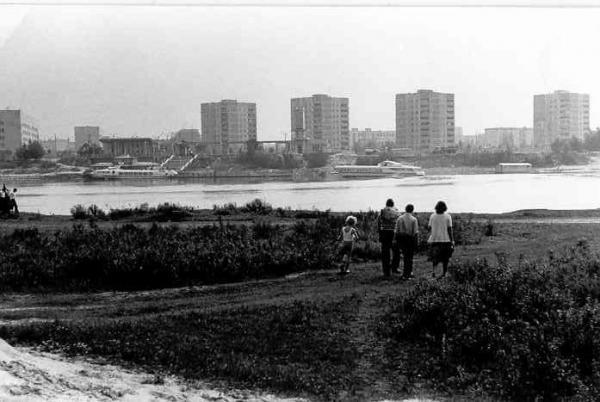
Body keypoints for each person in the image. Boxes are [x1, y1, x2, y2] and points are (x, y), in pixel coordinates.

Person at [428, 200, 454, 278]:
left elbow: (429, 227)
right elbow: (450, 229)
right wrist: (452, 240)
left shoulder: (432, 216)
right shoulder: (448, 216)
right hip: (445, 240)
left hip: (434, 239)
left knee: (435, 257)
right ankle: (444, 273)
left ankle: (434, 272)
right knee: (445, 258)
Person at [395, 204, 419, 280]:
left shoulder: (399, 218)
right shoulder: (414, 219)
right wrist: (416, 241)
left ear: (405, 209)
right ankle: (407, 274)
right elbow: (415, 232)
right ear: (412, 210)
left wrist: (396, 240)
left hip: (401, 238)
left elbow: (396, 231)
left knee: (405, 256)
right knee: (409, 257)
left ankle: (407, 273)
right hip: (410, 239)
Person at [377, 198, 400, 277]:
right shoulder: (396, 212)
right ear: (393, 204)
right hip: (394, 233)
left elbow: (379, 223)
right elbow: (398, 223)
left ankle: (386, 271)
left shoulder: (382, 212)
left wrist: (380, 234)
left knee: (385, 253)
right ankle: (395, 268)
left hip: (384, 233)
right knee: (396, 251)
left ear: (386, 204)